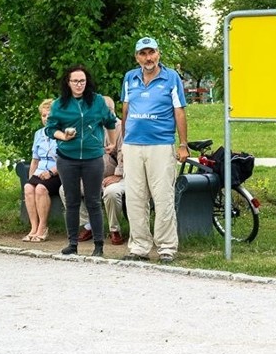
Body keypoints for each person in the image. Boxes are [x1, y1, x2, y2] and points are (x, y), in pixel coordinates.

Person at [120, 36, 188, 263]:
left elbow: (179, 111)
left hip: (160, 143)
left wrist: (183, 144)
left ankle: (167, 247)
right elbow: (126, 110)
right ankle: (139, 247)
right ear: (137, 56)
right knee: (135, 197)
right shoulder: (130, 77)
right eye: (143, 53)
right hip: (133, 145)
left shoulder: (171, 78)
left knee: (163, 196)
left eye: (151, 53)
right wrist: (123, 143)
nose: (148, 58)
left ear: (158, 53)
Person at [45, 65, 117, 257]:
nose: (79, 85)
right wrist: (63, 136)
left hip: (93, 157)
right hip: (67, 157)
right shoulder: (59, 104)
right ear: (68, 83)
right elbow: (50, 129)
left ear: (87, 82)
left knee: (94, 201)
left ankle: (99, 245)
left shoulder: (98, 101)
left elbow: (110, 122)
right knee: (72, 200)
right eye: (75, 81)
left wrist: (111, 142)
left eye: (82, 81)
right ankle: (72, 243)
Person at [58, 95, 126, 245]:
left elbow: (124, 153)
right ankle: (89, 225)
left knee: (112, 192)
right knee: (65, 189)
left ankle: (115, 230)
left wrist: (118, 175)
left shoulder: (120, 127)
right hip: (92, 175)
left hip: (118, 177)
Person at [23, 99, 59, 242]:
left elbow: (65, 160)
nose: (46, 119)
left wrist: (51, 172)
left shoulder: (62, 133)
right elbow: (35, 160)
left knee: (40, 189)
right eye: (43, 116)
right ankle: (33, 227)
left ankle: (43, 227)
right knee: (28, 187)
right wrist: (31, 178)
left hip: (57, 172)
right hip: (40, 171)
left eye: (49, 116)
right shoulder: (39, 134)